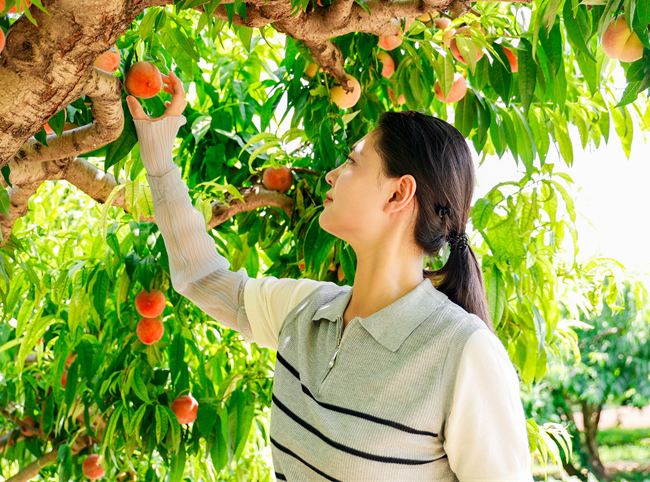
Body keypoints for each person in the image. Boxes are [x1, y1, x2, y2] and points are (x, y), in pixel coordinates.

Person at [126, 73, 534, 482]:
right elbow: (201, 276)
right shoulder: (306, 312)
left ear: (397, 194)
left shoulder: (463, 352)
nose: (331, 174)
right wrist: (159, 164)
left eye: (352, 162)